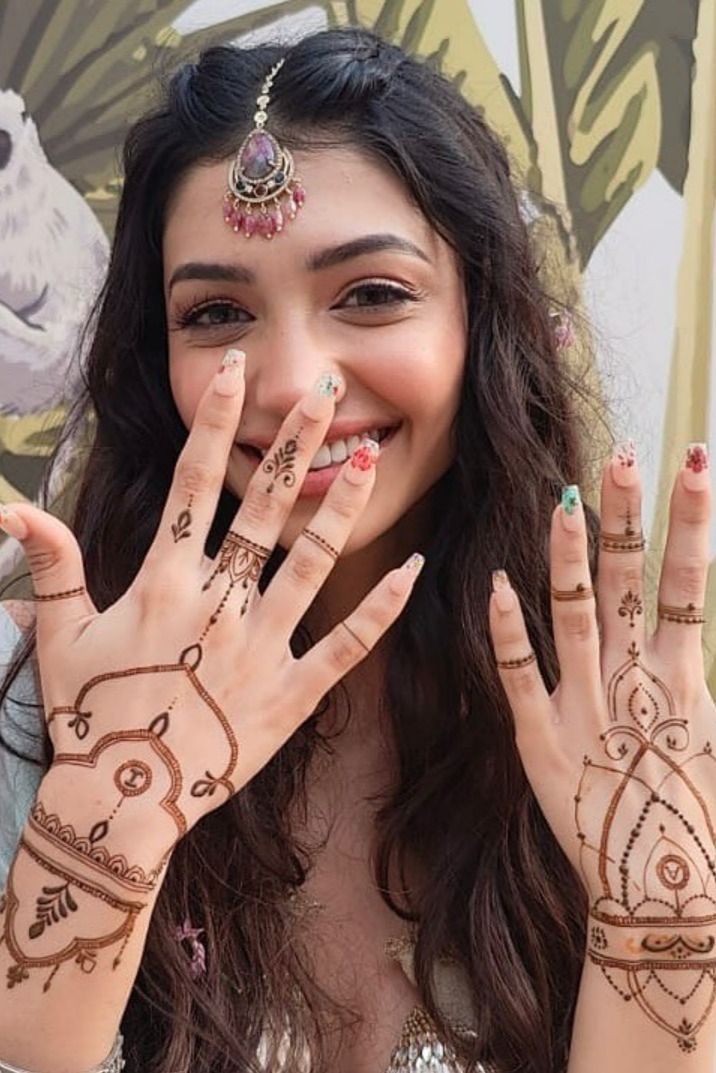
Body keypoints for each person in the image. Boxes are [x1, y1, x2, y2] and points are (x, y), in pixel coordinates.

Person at [0, 26, 713, 1073]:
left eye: (370, 294)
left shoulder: (617, 727)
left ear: (482, 324)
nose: (293, 381)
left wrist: (654, 914)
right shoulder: (37, 701)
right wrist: (103, 834)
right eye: (218, 312)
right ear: (159, 360)